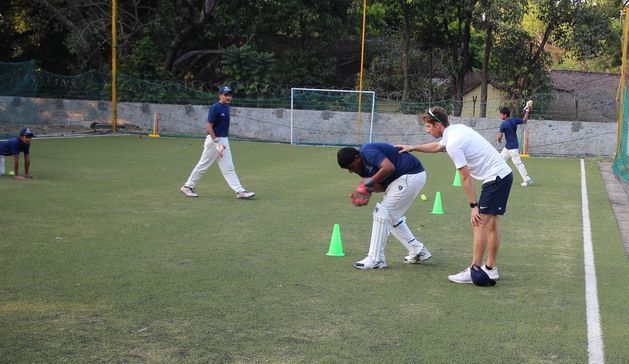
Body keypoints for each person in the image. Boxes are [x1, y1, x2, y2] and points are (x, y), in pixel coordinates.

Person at [397, 106, 513, 284]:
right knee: (491, 225)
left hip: (495, 178)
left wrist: (473, 207)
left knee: (479, 224)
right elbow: (437, 146)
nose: (427, 130)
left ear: (437, 125)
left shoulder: (453, 143)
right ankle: (490, 269)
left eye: (428, 127)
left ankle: (474, 269)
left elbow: (465, 176)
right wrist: (413, 148)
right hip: (503, 175)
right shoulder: (457, 130)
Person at [337, 142, 432, 269]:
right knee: (388, 217)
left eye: (351, 166)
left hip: (410, 174)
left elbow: (388, 168)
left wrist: (367, 184)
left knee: (381, 212)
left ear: (357, 158)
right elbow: (384, 186)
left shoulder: (367, 151)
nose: (351, 171)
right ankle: (418, 250)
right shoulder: (362, 170)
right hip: (404, 179)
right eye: (348, 169)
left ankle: (376, 259)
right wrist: (367, 191)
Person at [180, 86, 255, 199]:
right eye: (226, 95)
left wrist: (221, 141)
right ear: (220, 95)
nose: (228, 97)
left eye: (230, 95)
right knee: (204, 164)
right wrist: (215, 140)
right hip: (214, 140)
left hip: (223, 140)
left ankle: (240, 191)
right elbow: (209, 126)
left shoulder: (226, 107)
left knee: (228, 167)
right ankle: (188, 186)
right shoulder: (215, 107)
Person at [497, 105, 533, 187]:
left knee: (518, 163)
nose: (500, 116)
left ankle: (527, 179)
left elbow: (499, 137)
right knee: (499, 160)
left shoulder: (503, 124)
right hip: (508, 147)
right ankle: (497, 177)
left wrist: (498, 140)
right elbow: (524, 120)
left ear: (505, 115)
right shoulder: (514, 120)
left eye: (501, 114)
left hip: (512, 147)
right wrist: (527, 111)